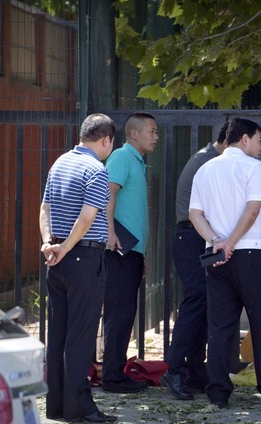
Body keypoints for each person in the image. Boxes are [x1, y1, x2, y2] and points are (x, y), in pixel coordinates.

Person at [188, 117, 261, 409]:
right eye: (259, 140)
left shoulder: (205, 169)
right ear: (244, 139)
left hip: (216, 257)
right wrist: (231, 241)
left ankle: (217, 392)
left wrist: (217, 241)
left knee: (220, 326)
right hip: (249, 253)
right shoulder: (254, 168)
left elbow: (195, 214)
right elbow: (253, 210)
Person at [39, 113, 118, 424]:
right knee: (81, 335)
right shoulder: (97, 170)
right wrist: (66, 247)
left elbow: (44, 207)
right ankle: (80, 406)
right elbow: (87, 218)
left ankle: (56, 405)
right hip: (83, 258)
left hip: (56, 259)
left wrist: (49, 243)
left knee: (57, 333)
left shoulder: (60, 163)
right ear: (106, 140)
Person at [160, 121, 230, 400]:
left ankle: (195, 371)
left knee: (202, 301)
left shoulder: (207, 159)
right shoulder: (208, 163)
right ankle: (174, 368)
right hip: (191, 237)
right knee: (197, 299)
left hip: (193, 237)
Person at [101, 112, 158, 394]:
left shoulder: (136, 161)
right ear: (134, 133)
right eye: (152, 131)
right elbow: (107, 193)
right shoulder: (123, 158)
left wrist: (139, 255)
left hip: (130, 252)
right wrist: (110, 232)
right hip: (117, 250)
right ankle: (111, 376)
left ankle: (116, 372)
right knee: (119, 313)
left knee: (125, 313)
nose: (156, 136)